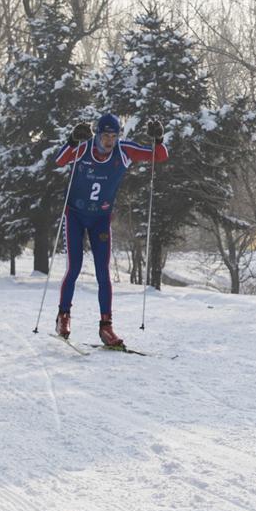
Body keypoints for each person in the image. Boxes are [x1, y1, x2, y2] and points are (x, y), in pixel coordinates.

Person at [53, 112, 168, 347]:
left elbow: (159, 157)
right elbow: (60, 161)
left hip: (100, 219)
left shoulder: (123, 151)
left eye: (114, 136)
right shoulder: (84, 149)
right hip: (74, 215)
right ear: (97, 134)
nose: (109, 141)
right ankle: (63, 316)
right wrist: (73, 140)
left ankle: (106, 326)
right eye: (105, 136)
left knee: (103, 273)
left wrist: (158, 139)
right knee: (73, 267)